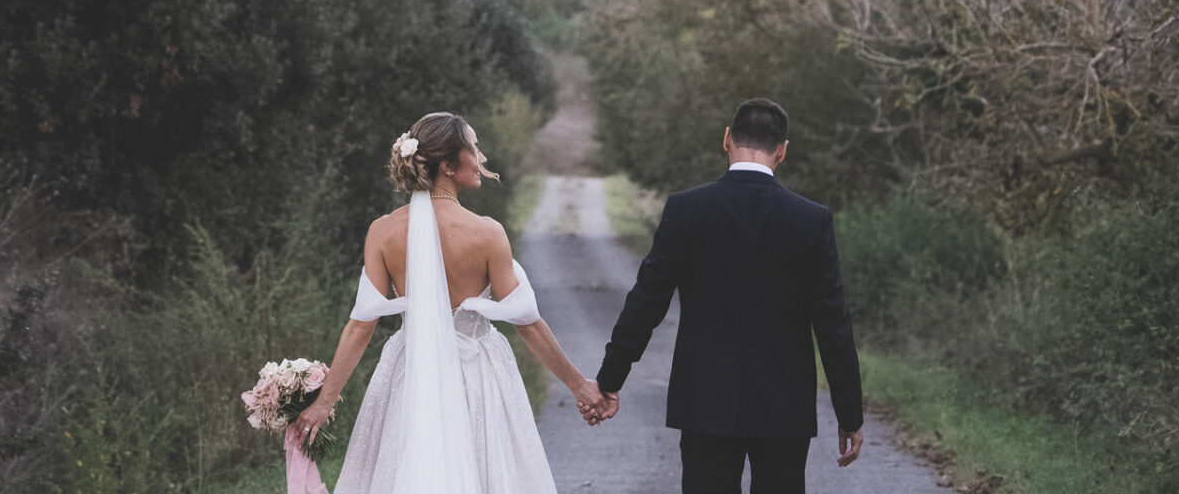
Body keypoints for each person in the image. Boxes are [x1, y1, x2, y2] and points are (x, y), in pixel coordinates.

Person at [294, 111, 605, 494]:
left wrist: (325, 403)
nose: (482, 158)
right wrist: (580, 387)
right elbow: (527, 323)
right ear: (448, 165)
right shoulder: (488, 234)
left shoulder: (382, 232)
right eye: (474, 148)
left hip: (409, 374)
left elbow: (361, 327)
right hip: (478, 377)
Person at [589, 98, 863, 494]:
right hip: (783, 408)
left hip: (704, 401)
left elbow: (646, 301)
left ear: (726, 139)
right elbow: (833, 324)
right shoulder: (810, 220)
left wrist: (610, 379)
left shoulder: (687, 210)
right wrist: (849, 413)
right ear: (782, 150)